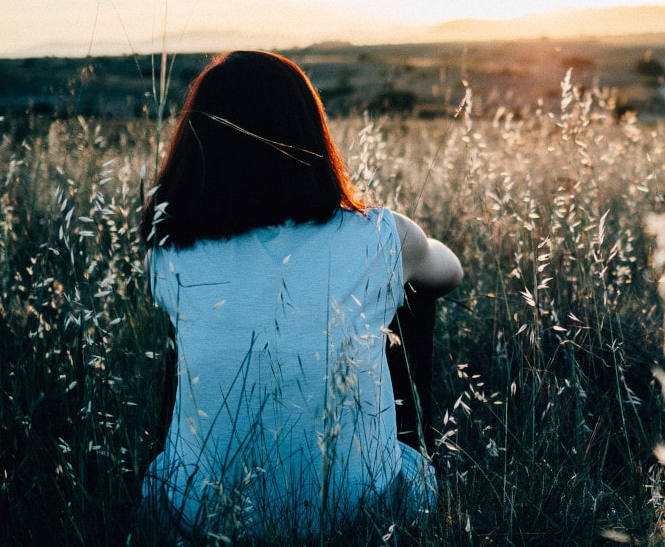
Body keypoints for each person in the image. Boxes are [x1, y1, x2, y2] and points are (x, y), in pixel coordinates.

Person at [138, 50, 462, 541]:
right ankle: (402, 455)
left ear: (197, 142)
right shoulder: (379, 235)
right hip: (359, 514)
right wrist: (403, 251)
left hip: (202, 519)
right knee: (409, 295)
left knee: (193, 324)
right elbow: (449, 272)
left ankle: (203, 464)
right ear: (311, 134)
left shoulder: (169, 250)